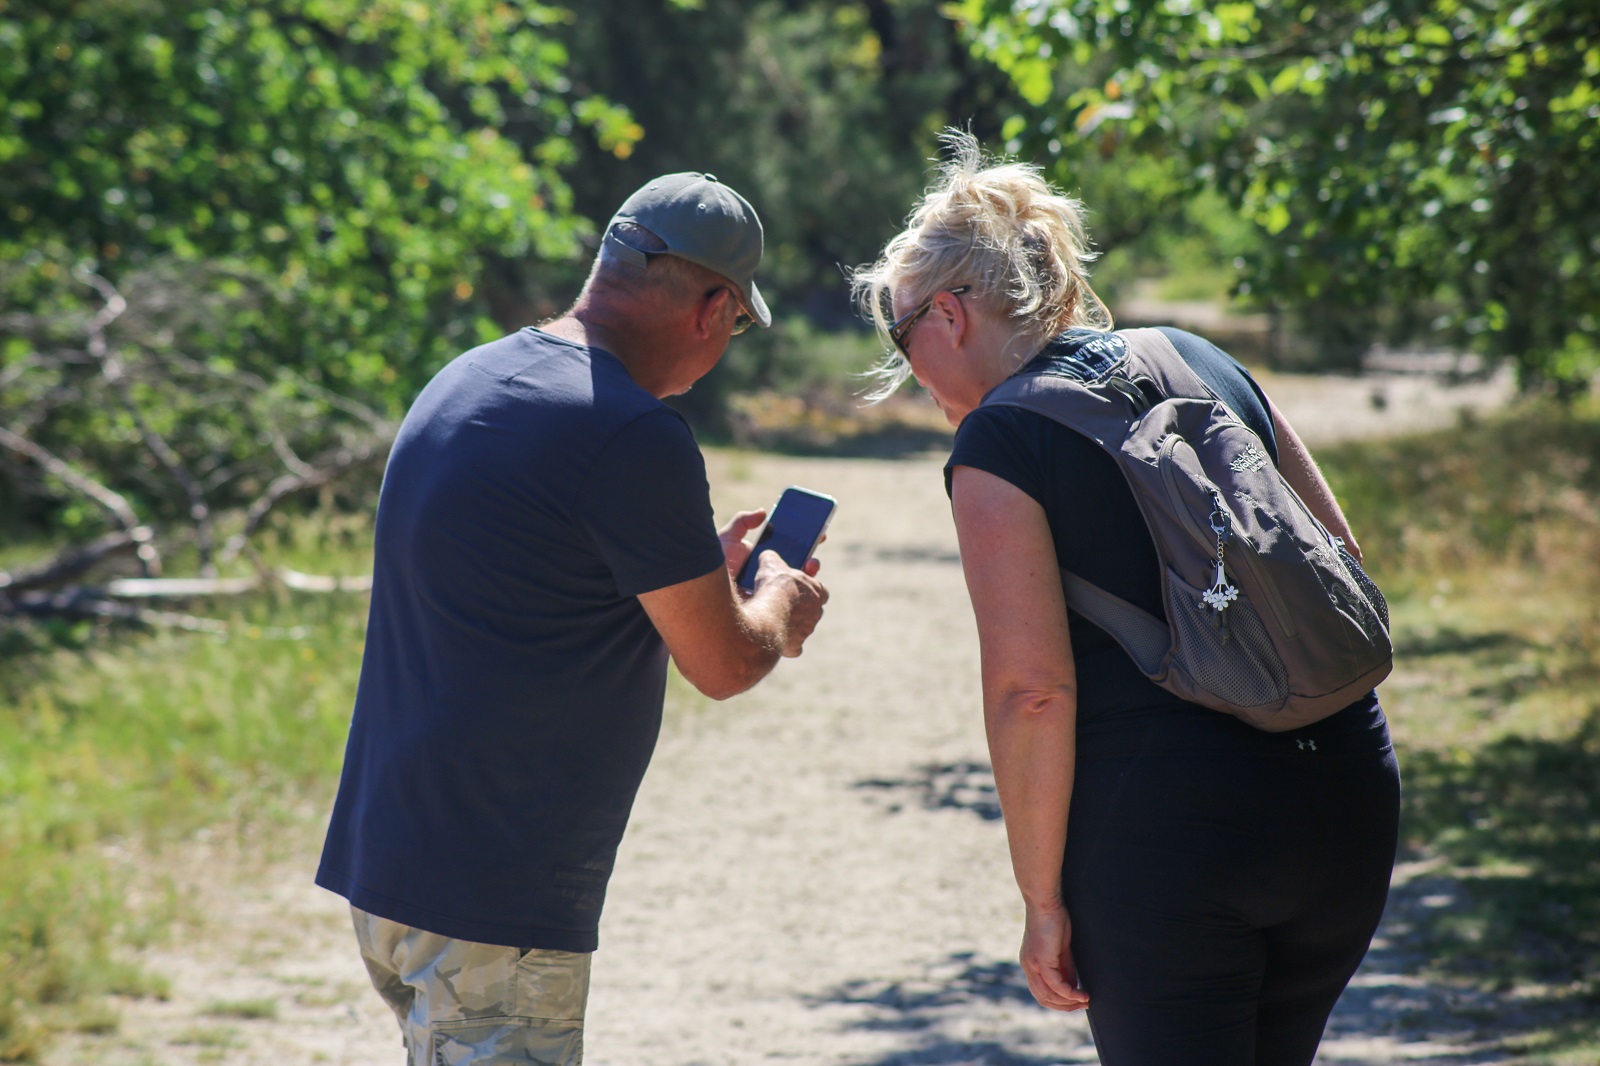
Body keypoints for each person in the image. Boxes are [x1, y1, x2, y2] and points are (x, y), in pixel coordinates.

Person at [852, 132, 1400, 1066]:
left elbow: (1033, 691)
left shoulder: (999, 442)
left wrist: (1041, 902)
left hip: (1171, 838)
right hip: (1347, 797)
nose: (908, 370)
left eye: (902, 338)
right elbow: (1341, 559)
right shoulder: (1197, 359)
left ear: (949, 313)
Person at [316, 172, 829, 1065]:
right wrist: (778, 600)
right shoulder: (632, 434)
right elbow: (725, 663)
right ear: (713, 307)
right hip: (493, 894)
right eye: (739, 324)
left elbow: (533, 573)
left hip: (392, 867)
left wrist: (687, 567)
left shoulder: (471, 376)